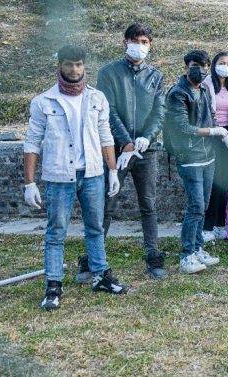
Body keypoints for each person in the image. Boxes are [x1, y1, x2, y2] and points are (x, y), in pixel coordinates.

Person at [23, 45, 127, 310]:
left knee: (95, 227)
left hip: (92, 173)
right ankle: (53, 286)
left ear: (85, 67)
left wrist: (112, 170)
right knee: (56, 232)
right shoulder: (43, 101)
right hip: (59, 176)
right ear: (60, 66)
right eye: (69, 64)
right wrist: (30, 182)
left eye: (79, 64)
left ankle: (101, 276)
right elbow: (32, 142)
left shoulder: (96, 99)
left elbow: (106, 137)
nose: (74, 69)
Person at [92, 23, 167, 281]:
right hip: (116, 150)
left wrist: (147, 137)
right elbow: (107, 110)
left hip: (147, 152)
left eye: (144, 41)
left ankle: (153, 255)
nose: (140, 45)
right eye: (135, 40)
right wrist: (125, 141)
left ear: (150, 44)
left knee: (148, 204)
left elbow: (159, 112)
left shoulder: (156, 76)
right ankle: (94, 258)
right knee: (106, 203)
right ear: (125, 42)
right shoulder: (109, 73)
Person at [164, 50, 225, 274]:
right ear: (186, 67)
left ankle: (198, 248)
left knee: (204, 205)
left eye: (203, 65)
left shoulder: (206, 90)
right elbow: (182, 127)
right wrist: (211, 131)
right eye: (194, 65)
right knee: (195, 206)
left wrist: (222, 135)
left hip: (208, 155)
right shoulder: (177, 93)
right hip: (188, 156)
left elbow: (213, 116)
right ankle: (186, 255)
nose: (199, 69)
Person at [201, 52, 228, 242]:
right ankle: (207, 226)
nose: (225, 66)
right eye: (221, 63)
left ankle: (220, 224)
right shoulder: (204, 85)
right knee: (211, 181)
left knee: (224, 182)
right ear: (214, 65)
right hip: (210, 135)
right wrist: (214, 130)